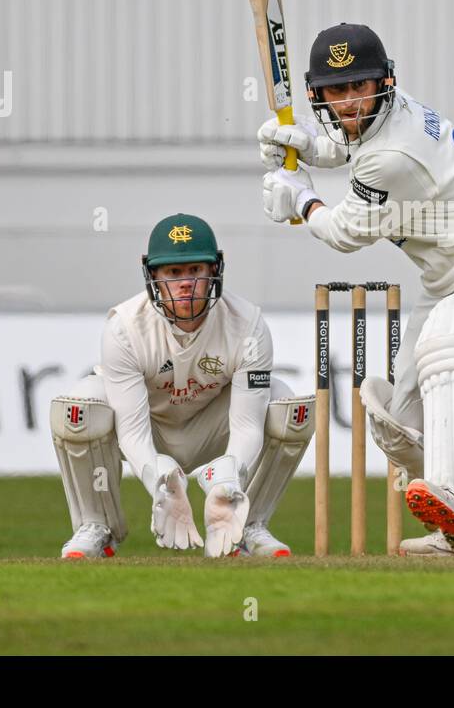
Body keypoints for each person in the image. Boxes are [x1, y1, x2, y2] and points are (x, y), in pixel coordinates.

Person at [258, 23, 454, 555]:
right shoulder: (386, 119)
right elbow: (352, 146)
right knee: (400, 422)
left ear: (385, 81)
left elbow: (344, 233)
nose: (352, 102)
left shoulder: (395, 155)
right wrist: (308, 149)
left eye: (361, 87)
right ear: (319, 97)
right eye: (337, 92)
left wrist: (300, 200)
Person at [49, 213, 314, 559]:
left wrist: (227, 480)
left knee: (287, 408)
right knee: (81, 407)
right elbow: (131, 430)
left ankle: (247, 526)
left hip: (211, 427)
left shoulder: (247, 324)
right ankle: (95, 526)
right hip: (151, 427)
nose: (185, 283)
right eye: (173, 273)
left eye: (195, 271)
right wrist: (159, 478)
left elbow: (248, 424)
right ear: (154, 276)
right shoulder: (125, 327)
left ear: (213, 270)